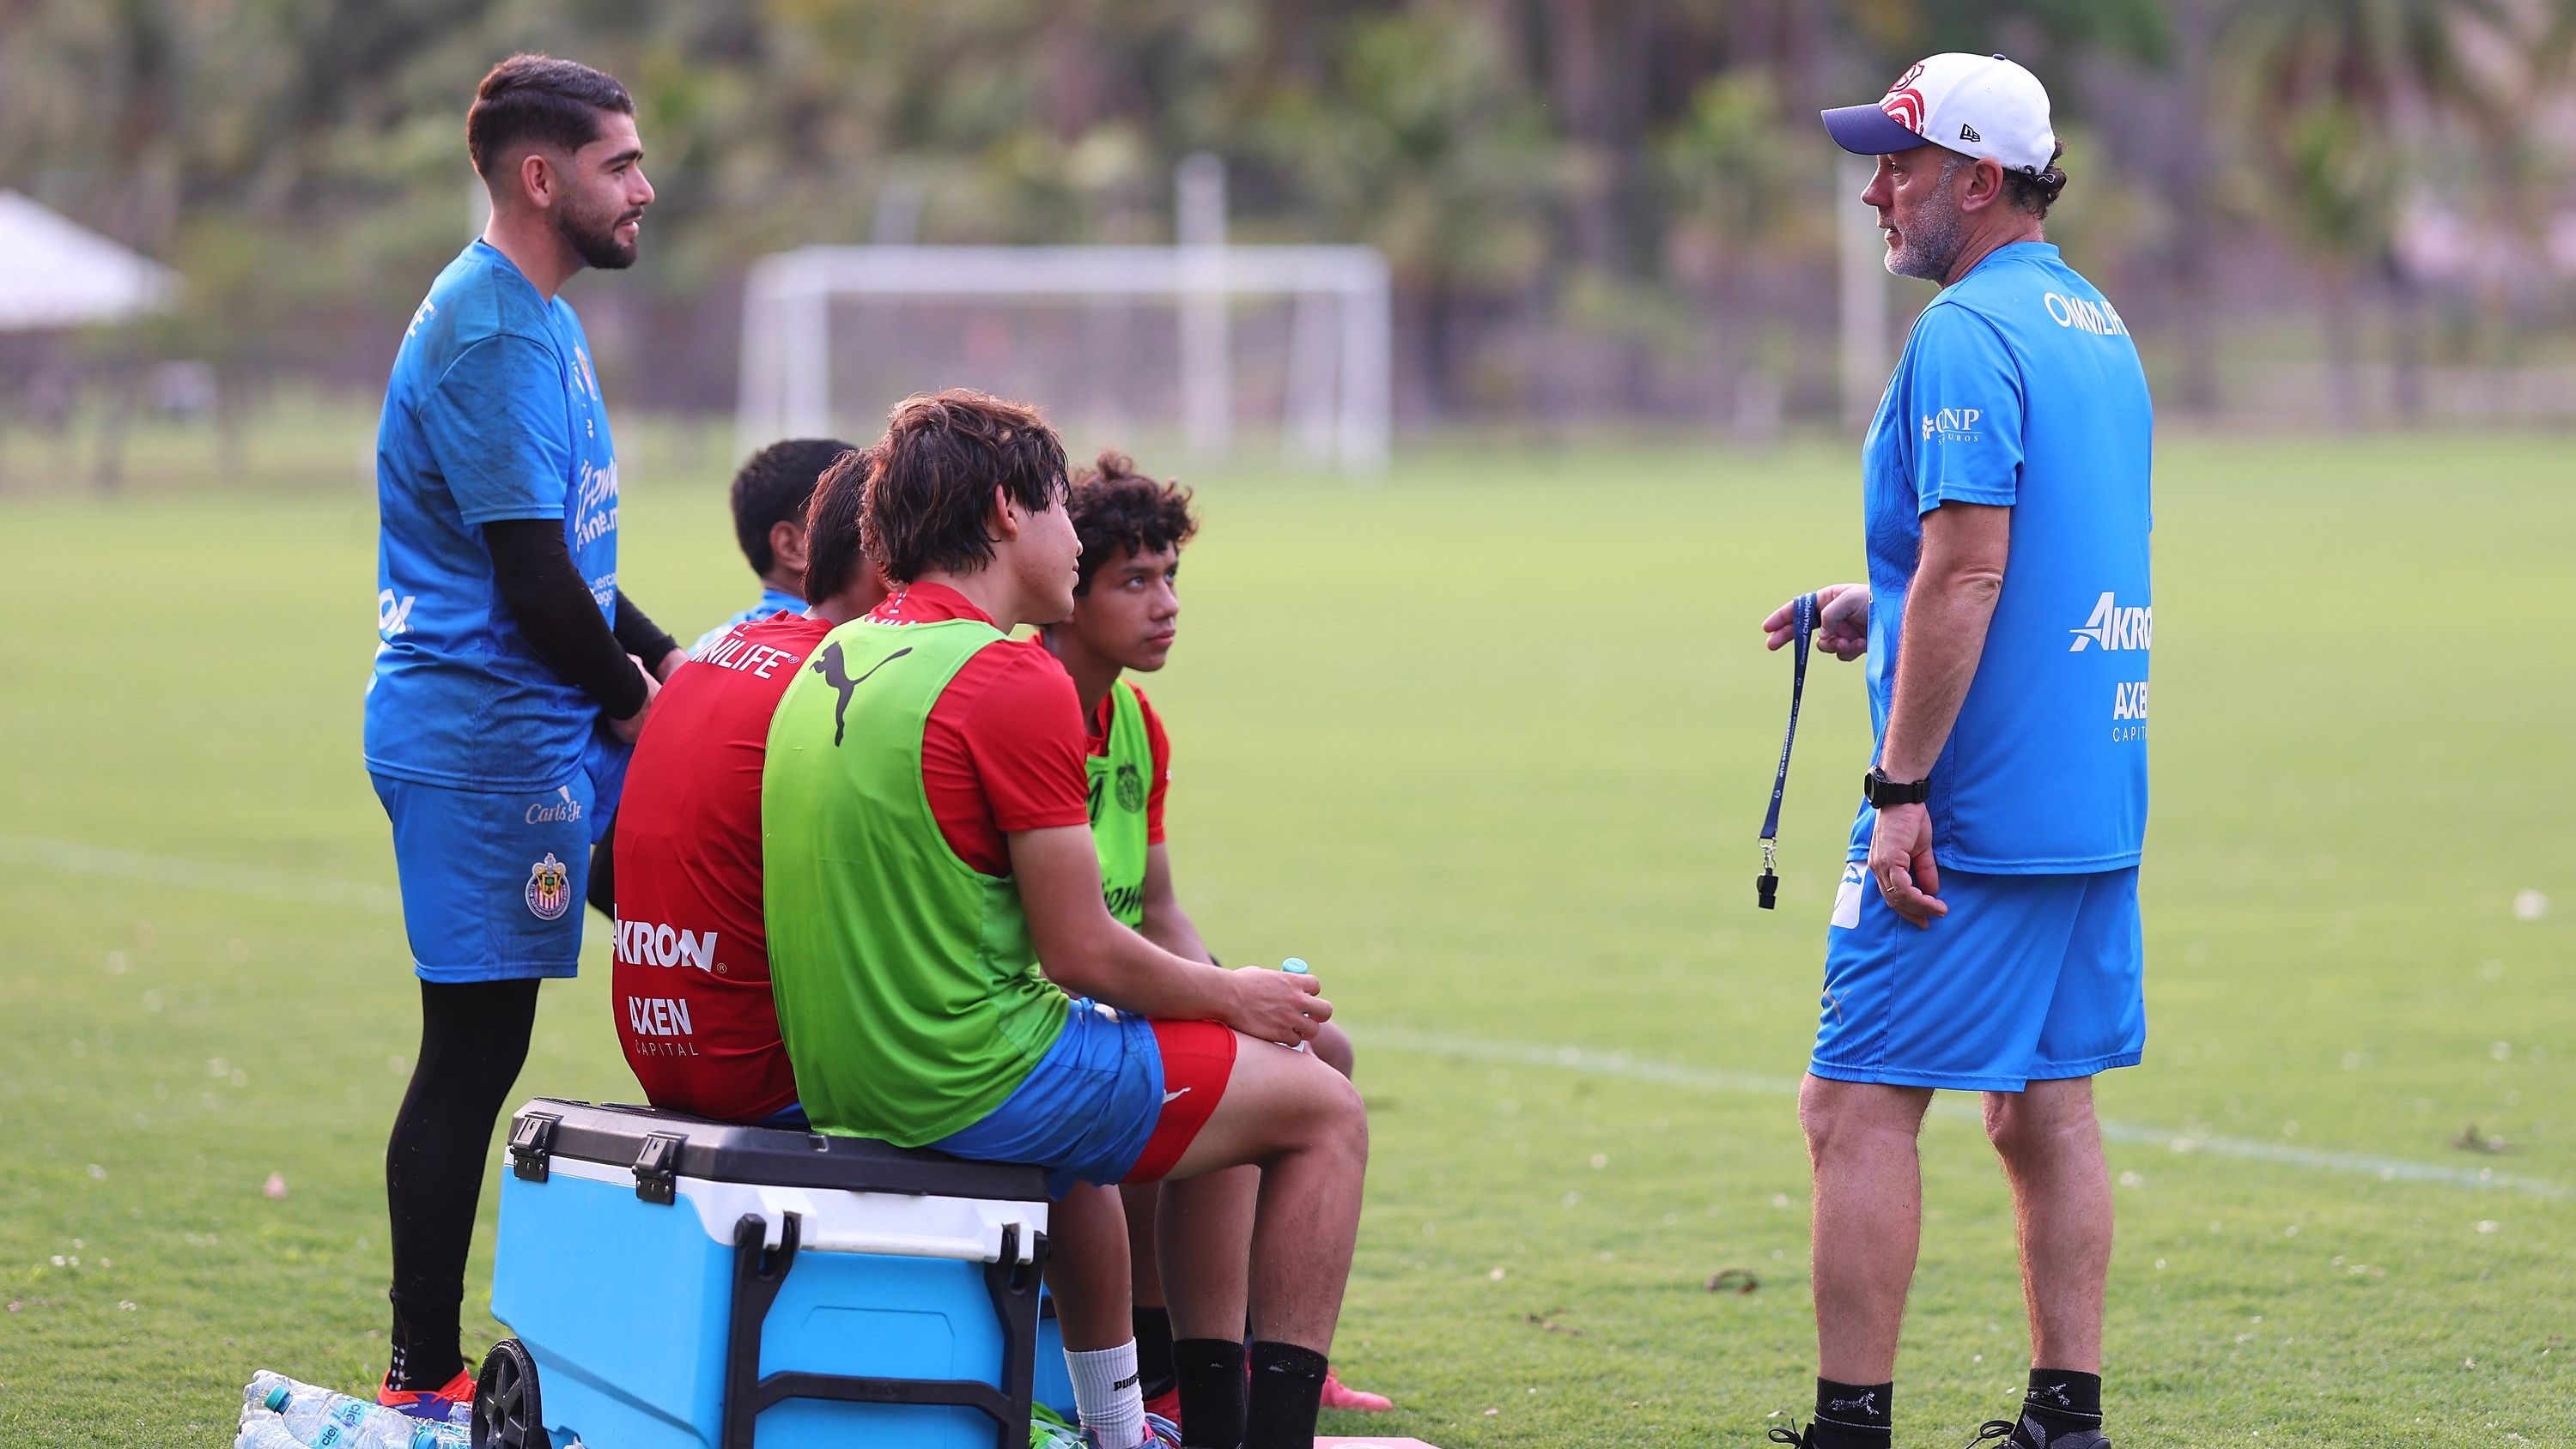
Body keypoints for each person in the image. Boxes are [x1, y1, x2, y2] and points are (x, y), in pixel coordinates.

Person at [764, 390, 1369, 1449]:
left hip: (846, 1078)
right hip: (974, 1076)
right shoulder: (1008, 674)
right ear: (1006, 510)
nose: (1073, 532)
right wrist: (1241, 993)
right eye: (1060, 509)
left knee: (1239, 1076)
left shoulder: (830, 658)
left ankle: (1146, 1424)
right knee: (1322, 1108)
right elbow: (1079, 948)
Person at [1759, 54, 2153, 1449]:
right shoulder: (2091, 321)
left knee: (1851, 1100)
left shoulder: (1963, 335)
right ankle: (2067, 1417)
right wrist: (1888, 595)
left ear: (1979, 181)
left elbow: (1975, 567)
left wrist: (1902, 788)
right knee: (2045, 1103)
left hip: (1971, 807)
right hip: (2094, 784)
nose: (1878, 188)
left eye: (1904, 165)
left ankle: (1849, 1425)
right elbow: (2018, 554)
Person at [364, 53, 676, 1419]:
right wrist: (640, 700)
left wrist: (680, 662)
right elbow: (534, 583)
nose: (645, 189)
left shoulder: (540, 311)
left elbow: (581, 573)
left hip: (560, 714)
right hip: (491, 740)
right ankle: (420, 1369)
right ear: (542, 179)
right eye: (620, 164)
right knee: (474, 1051)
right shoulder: (490, 332)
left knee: (713, 925)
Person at [1036, 452, 1388, 1420]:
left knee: (1313, 1047)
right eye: (1134, 580)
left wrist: (1224, 982)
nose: (1166, 604)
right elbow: (1065, 941)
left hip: (1113, 991)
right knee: (1254, 1078)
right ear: (1068, 590)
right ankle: (1191, 1376)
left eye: (1171, 577)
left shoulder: (1135, 721)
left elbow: (1157, 905)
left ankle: (1255, 1355)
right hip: (1048, 1017)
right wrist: (1221, 1000)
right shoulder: (1027, 707)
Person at [610, 444, 879, 1123]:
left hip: (662, 1036)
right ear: (794, 542)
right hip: (760, 1059)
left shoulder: (713, 655)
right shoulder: (833, 672)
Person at [688, 436, 860, 655]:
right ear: (791, 546)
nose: (882, 541)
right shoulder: (834, 654)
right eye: (861, 521)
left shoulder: (705, 650)